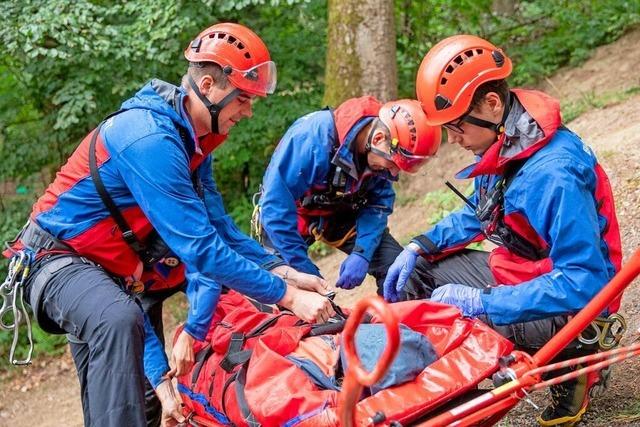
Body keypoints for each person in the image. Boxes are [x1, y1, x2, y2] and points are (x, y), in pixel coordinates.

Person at [4, 22, 334, 427]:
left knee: (142, 396)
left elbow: (221, 232)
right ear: (209, 86)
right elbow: (201, 251)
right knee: (117, 320)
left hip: (115, 273)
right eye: (243, 100)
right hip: (55, 260)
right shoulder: (149, 140)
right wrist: (288, 296)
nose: (248, 112)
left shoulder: (194, 143)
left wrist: (280, 270)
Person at [383, 35, 622, 427]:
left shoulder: (551, 174)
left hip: (578, 307)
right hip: (528, 270)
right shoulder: (508, 141)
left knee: (468, 308)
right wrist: (418, 245)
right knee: (422, 272)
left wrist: (483, 303)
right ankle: (424, 388)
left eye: (456, 126)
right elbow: (484, 212)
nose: (452, 139)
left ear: (492, 104)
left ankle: (574, 365)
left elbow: (587, 281)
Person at [256, 97, 441, 293]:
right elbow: (275, 212)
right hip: (289, 217)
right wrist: (304, 273)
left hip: (339, 211)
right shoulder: (310, 141)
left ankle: (396, 318)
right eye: (393, 164)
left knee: (400, 272)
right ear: (378, 139)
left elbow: (377, 205)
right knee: (301, 294)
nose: (393, 173)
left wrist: (362, 252)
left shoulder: (381, 156)